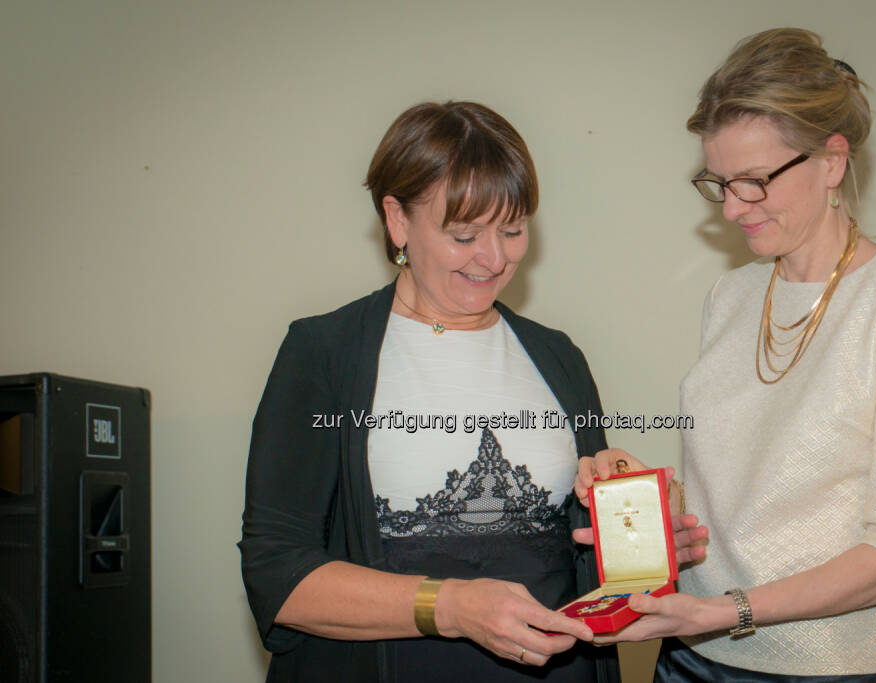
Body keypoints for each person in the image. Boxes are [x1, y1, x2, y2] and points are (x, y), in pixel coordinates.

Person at [574, 28, 876, 681]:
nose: (731, 207)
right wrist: (651, 497)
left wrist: (728, 610)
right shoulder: (732, 294)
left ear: (831, 161)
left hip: (826, 670)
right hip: (690, 650)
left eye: (753, 182)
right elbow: (750, 495)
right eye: (719, 182)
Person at [237, 100, 632, 683]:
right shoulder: (323, 353)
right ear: (397, 220)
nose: (495, 259)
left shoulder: (558, 357)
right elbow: (280, 577)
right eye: (464, 234)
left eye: (514, 229)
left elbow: (593, 560)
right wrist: (451, 608)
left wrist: (640, 521)